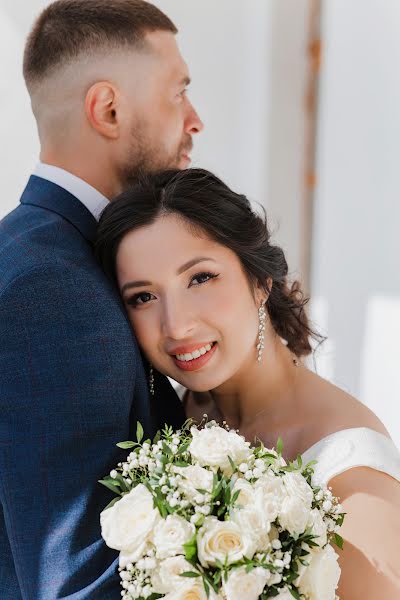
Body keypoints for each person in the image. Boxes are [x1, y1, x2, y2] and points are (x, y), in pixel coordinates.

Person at [95, 168, 400, 599]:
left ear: (260, 281)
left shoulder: (352, 473)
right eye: (143, 297)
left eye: (200, 278)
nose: (176, 326)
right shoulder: (176, 417)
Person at [0, 1, 203, 598]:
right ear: (108, 109)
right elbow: (75, 582)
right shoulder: (51, 286)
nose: (195, 119)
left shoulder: (39, 247)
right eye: (178, 92)